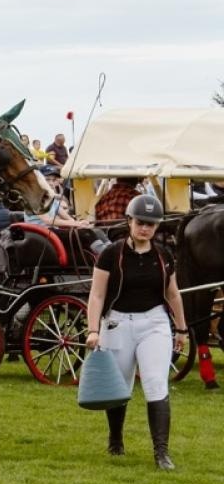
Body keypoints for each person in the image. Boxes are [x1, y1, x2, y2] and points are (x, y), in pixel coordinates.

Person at [85, 194, 185, 469]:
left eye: (151, 224)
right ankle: (115, 438)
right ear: (129, 221)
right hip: (117, 323)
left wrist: (181, 329)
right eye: (141, 222)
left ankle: (161, 452)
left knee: (156, 383)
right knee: (120, 386)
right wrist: (93, 330)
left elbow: (173, 294)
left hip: (154, 323)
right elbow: (96, 295)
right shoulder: (110, 254)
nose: (146, 228)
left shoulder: (164, 255)